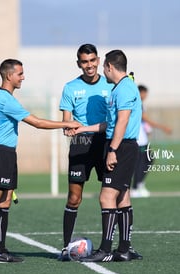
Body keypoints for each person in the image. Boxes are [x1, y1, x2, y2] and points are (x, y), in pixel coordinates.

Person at [0, 58, 81, 264]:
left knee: (5, 202)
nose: (23, 77)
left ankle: (0, 250)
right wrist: (67, 123)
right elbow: (37, 123)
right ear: (9, 75)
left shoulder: (6, 97)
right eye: (20, 73)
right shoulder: (4, 99)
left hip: (8, 153)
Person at [78, 49, 143, 262]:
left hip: (121, 147)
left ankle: (105, 249)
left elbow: (122, 122)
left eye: (103, 66)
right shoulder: (120, 88)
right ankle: (125, 248)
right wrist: (81, 129)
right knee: (122, 196)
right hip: (122, 145)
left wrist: (113, 150)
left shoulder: (124, 89)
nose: (102, 70)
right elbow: (111, 123)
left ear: (109, 67)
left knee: (106, 196)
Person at [57, 43, 113, 261]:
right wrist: (68, 127)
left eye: (92, 61)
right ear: (78, 63)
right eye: (84, 62)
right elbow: (66, 120)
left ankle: (109, 247)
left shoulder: (111, 86)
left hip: (105, 144)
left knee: (111, 196)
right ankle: (65, 246)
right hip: (80, 144)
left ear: (98, 61)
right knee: (74, 197)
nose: (89, 66)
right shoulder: (70, 87)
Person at [131, 84, 172, 198]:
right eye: (144, 93)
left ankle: (139, 184)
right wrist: (163, 127)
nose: (145, 96)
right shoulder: (137, 103)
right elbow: (145, 119)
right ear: (140, 92)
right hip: (138, 141)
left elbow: (142, 121)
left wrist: (147, 129)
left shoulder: (140, 104)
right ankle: (135, 188)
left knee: (148, 160)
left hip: (142, 140)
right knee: (140, 164)